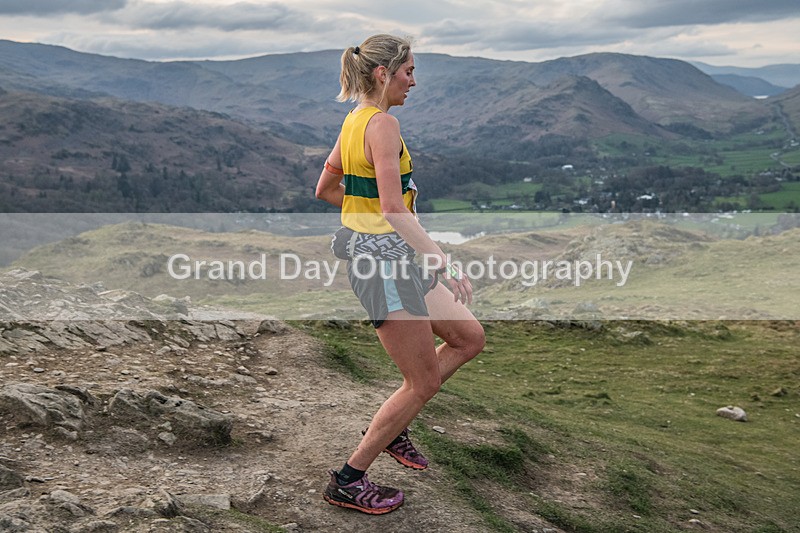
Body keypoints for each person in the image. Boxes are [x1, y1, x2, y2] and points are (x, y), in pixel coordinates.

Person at [315, 34, 485, 515]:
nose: (414, 80)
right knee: (423, 383)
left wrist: (365, 214)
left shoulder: (355, 122)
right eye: (409, 70)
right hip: (384, 267)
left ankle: (397, 424)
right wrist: (442, 260)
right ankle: (348, 481)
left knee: (468, 337)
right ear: (382, 74)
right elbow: (393, 207)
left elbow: (326, 188)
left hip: (394, 258)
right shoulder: (383, 124)